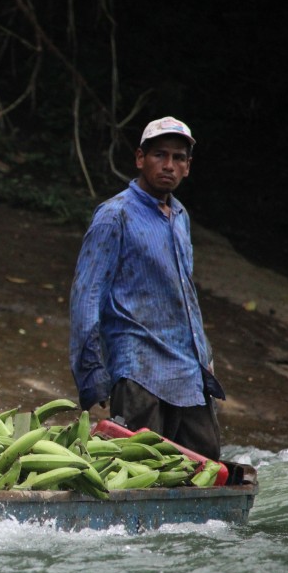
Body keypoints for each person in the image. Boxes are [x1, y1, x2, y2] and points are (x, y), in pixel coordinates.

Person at [69, 116, 225, 460]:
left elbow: (186, 296)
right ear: (140, 158)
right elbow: (86, 297)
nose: (169, 165)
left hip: (187, 374)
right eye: (159, 155)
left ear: (188, 167)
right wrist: (92, 373)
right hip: (139, 371)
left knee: (206, 468)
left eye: (178, 158)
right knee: (141, 469)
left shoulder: (180, 216)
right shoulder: (114, 215)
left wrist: (205, 359)